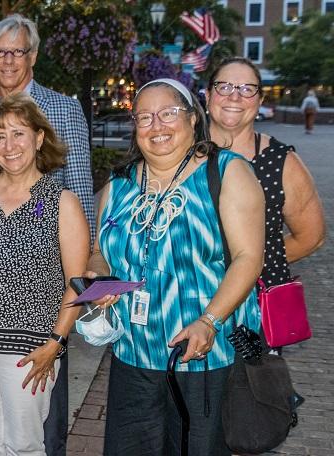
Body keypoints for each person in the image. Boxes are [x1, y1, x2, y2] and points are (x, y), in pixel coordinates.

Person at [0, 14, 95, 454]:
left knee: (33, 440)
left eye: (18, 51)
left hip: (35, 330)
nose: (9, 144)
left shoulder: (63, 117)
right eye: (1, 51)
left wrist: (58, 338)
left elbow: (81, 195)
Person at [91, 79, 265, 455]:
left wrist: (209, 321)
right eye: (145, 117)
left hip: (202, 357)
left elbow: (249, 258)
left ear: (192, 118)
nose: (157, 126)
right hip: (132, 354)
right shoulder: (119, 183)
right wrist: (97, 277)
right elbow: (99, 250)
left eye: (168, 113)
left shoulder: (227, 172)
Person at [206, 58, 326, 335]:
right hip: (182, 299)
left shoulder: (282, 162)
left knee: (252, 378)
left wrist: (250, 263)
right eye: (224, 86)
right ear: (209, 94)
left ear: (259, 100)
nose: (234, 95)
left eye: (247, 88)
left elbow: (311, 236)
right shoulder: (181, 152)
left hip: (254, 306)